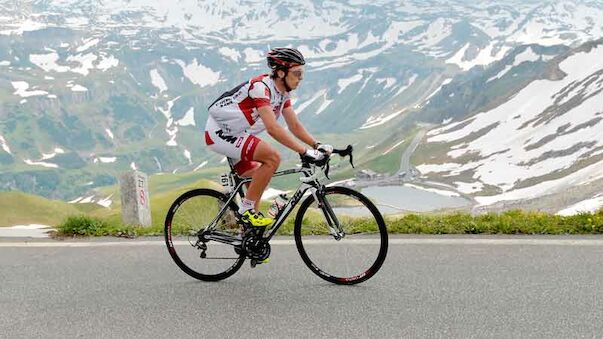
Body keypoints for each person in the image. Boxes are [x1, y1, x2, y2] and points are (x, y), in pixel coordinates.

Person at [204, 47, 333, 227]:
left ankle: (248, 238)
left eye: (302, 73)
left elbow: (294, 125)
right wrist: (305, 151)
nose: (301, 78)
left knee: (258, 178)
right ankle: (245, 211)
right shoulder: (261, 88)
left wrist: (316, 144)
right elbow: (272, 128)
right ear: (281, 73)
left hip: (238, 133)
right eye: (297, 73)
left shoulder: (282, 93)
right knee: (272, 158)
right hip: (220, 134)